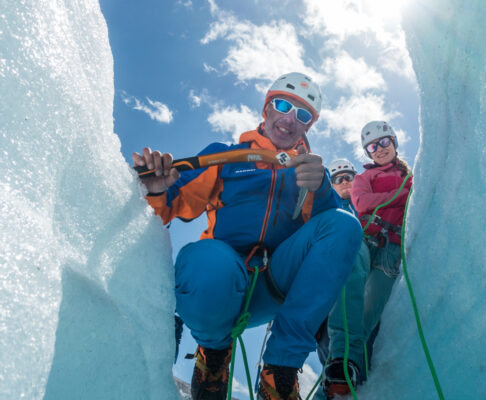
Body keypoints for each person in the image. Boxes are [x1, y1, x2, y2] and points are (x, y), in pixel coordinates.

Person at [132, 72, 363, 400]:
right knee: (206, 258)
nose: (289, 119)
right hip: (222, 283)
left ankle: (280, 369)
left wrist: (323, 189)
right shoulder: (225, 157)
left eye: (302, 115)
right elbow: (169, 208)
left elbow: (334, 241)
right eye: (282, 105)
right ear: (266, 108)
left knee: (345, 223)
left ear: (309, 126)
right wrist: (156, 191)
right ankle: (213, 356)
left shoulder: (309, 174)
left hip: (274, 284)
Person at [319, 121, 413, 399]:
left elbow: (376, 201)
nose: (380, 149)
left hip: (392, 249)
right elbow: (362, 204)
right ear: (368, 153)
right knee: (351, 279)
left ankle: (349, 374)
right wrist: (401, 197)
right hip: (365, 236)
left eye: (384, 142)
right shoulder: (364, 178)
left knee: (370, 314)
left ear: (394, 142)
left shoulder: (410, 175)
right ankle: (340, 360)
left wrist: (386, 199)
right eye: (373, 146)